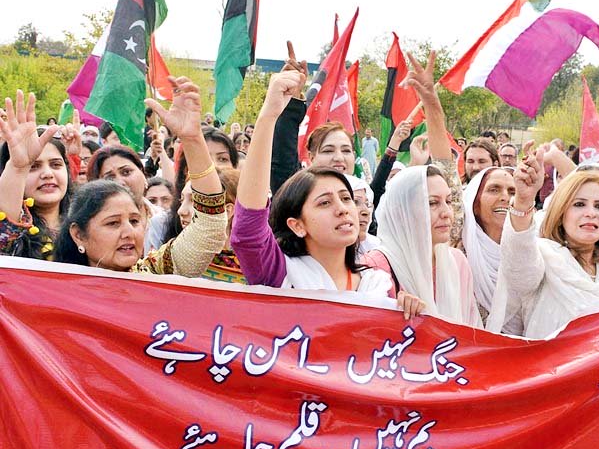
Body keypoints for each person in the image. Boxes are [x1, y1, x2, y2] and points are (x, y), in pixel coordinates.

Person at [230, 69, 423, 319]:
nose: (343, 209)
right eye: (324, 203)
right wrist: (268, 116)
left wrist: (408, 315)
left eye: (346, 198)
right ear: (297, 225)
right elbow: (248, 231)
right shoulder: (282, 275)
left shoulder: (379, 286)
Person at [54, 75, 228, 276]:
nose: (129, 233)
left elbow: (210, 227)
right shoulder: (57, 286)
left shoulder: (154, 273)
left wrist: (193, 140)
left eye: (135, 221)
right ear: (78, 235)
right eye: (113, 223)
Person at [363, 52, 481, 327]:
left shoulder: (456, 263)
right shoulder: (377, 267)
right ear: (404, 211)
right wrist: (393, 311)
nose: (446, 213)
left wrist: (431, 102)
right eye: (431, 203)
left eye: (448, 201)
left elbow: (470, 334)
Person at [488, 152, 599, 338]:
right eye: (579, 204)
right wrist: (523, 201)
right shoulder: (544, 259)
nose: (591, 213)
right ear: (560, 213)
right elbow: (519, 267)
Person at [0, 91, 71, 259]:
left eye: (56, 165)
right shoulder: (15, 238)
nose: (47, 174)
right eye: (33, 167)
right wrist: (19, 168)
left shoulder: (89, 223)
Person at [459, 166, 525, 332]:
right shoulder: (458, 259)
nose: (505, 197)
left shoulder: (531, 254)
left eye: (512, 192)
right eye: (494, 190)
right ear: (475, 203)